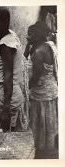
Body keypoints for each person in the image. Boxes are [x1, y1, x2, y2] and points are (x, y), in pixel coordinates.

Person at [0, 7, 25, 131]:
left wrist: (6, 107)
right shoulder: (6, 40)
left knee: (6, 135)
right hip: (7, 93)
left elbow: (8, 77)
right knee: (7, 134)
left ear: (5, 22)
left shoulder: (6, 45)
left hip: (7, 95)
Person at [27, 22, 58, 159]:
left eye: (30, 34)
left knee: (40, 122)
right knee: (47, 123)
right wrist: (29, 45)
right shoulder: (48, 46)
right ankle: (47, 148)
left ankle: (41, 151)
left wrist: (26, 88)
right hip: (50, 91)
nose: (27, 37)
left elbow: (35, 77)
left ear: (38, 36)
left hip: (41, 94)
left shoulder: (39, 52)